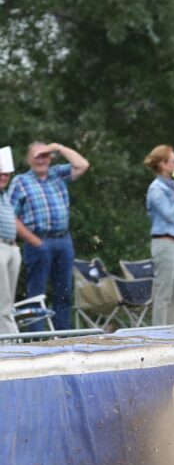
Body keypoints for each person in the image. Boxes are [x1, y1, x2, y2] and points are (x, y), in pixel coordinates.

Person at [9, 141, 90, 331]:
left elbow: (83, 165)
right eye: (37, 156)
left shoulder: (57, 174)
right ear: (29, 159)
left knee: (64, 293)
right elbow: (10, 216)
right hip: (38, 240)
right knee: (36, 293)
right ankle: (36, 340)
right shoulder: (20, 182)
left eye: (45, 155)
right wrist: (33, 239)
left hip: (63, 240)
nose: (42, 160)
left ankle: (63, 336)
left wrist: (58, 147)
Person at [143, 145, 174, 326]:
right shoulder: (155, 189)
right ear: (164, 165)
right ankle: (159, 334)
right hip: (166, 243)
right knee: (164, 293)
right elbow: (170, 214)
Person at [0, 146, 19, 335]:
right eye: (0, 173)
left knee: (7, 303)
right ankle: (12, 345)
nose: (4, 177)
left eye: (6, 174)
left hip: (11, 247)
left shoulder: (4, 195)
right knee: (3, 304)